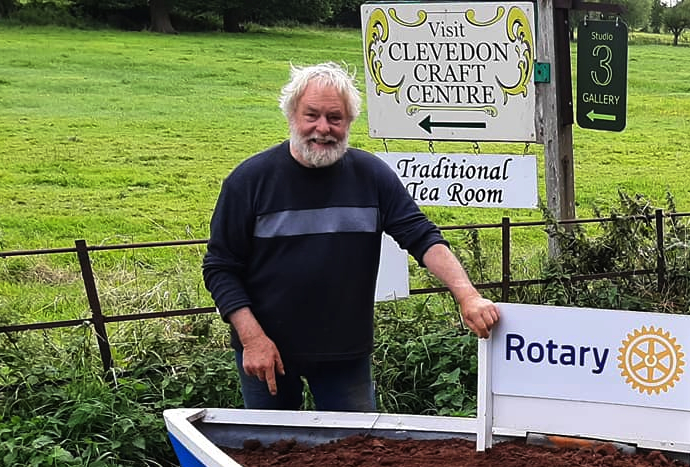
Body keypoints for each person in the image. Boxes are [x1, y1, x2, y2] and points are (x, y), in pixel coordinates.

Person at [203, 62, 499, 411]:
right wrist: (252, 338)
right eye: (311, 115)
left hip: (344, 354)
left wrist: (467, 296)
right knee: (269, 455)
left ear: (349, 122)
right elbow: (220, 268)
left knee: (358, 452)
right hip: (266, 352)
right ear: (291, 115)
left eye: (335, 118)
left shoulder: (371, 176)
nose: (323, 128)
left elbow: (421, 236)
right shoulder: (249, 181)